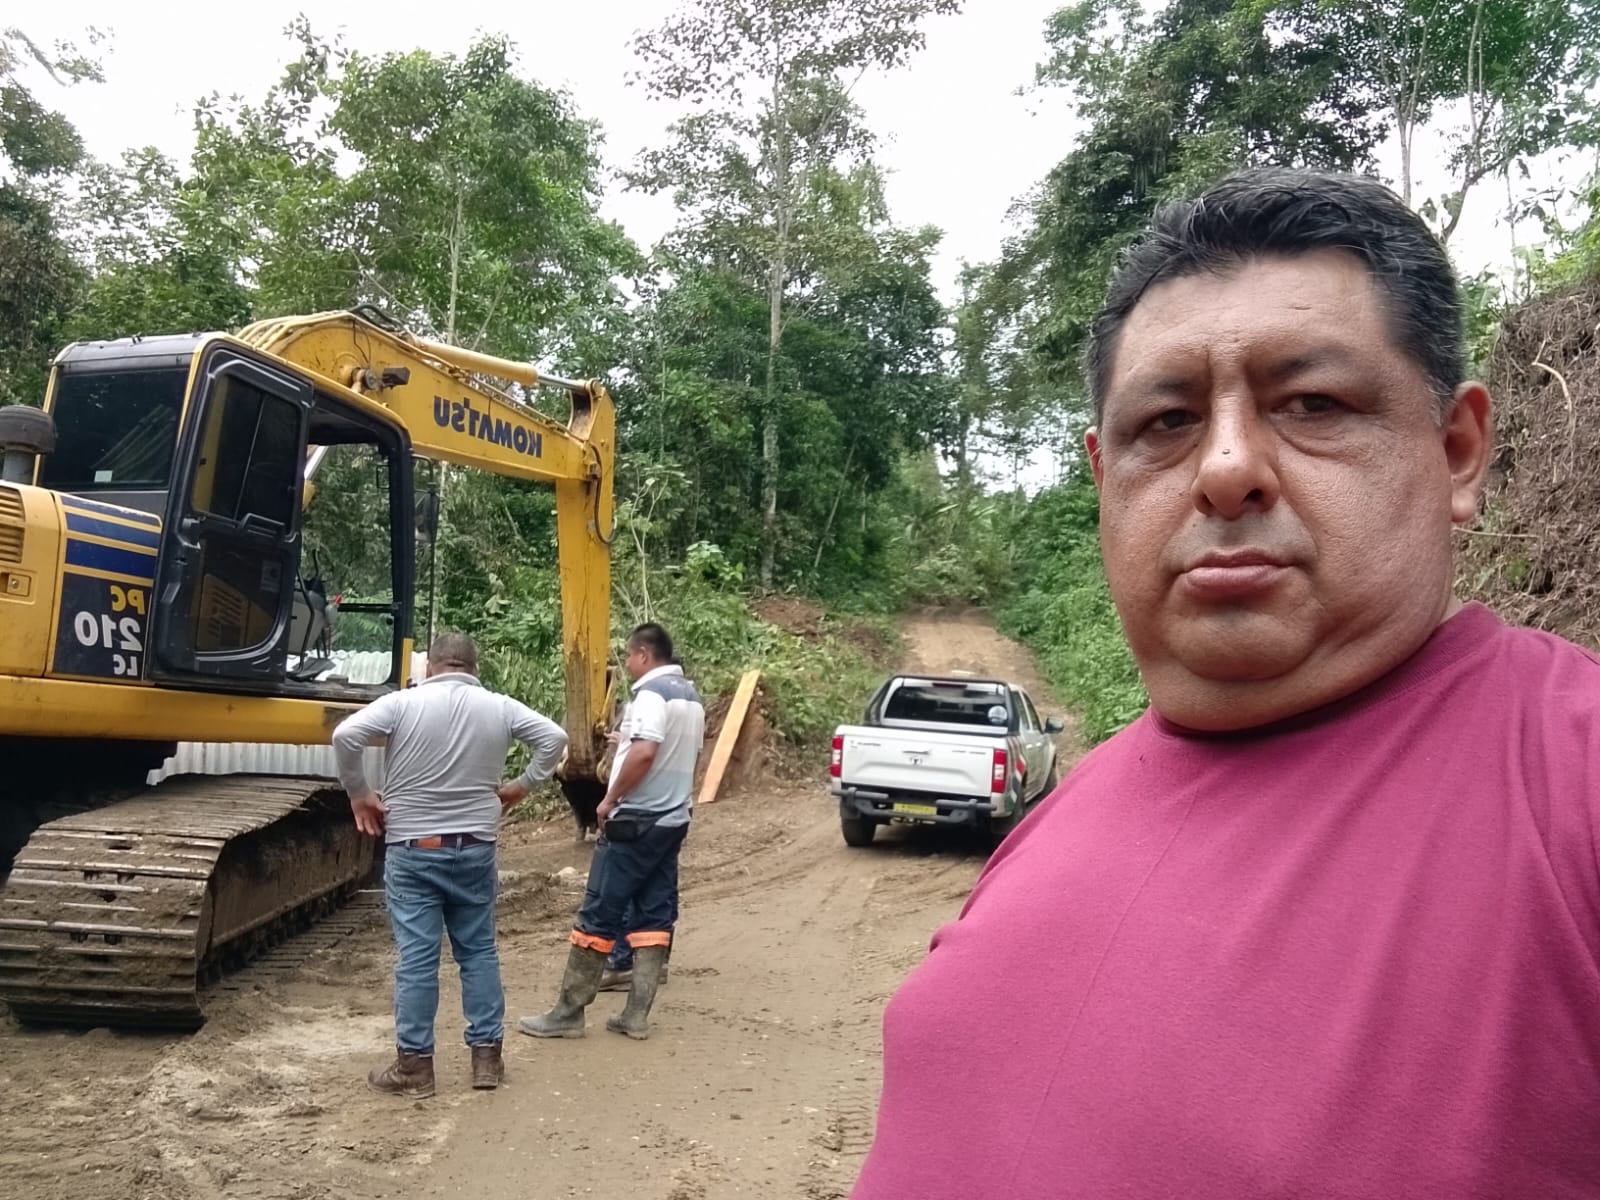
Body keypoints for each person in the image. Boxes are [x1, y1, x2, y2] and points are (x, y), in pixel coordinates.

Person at [851, 169, 1600, 1198]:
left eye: (1313, 403)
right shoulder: (1068, 806)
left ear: (1456, 451)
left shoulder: (1571, 781)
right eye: (1165, 422)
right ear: (1105, 478)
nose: (1225, 467)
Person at [333, 632, 568, 1099]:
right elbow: (554, 738)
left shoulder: (402, 704)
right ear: (474, 669)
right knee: (478, 951)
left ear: (431, 667)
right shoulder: (499, 707)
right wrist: (522, 785)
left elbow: (345, 735)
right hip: (476, 847)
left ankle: (415, 1068)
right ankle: (487, 1060)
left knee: (418, 959)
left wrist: (359, 794)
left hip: (414, 848)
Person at [519, 622, 705, 1041]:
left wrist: (609, 799)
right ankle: (636, 1015)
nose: (627, 663)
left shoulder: (651, 695)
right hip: (672, 820)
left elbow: (646, 752)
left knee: (599, 912)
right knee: (654, 914)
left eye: (628, 656)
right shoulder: (690, 698)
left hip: (635, 821)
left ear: (644, 655)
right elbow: (678, 754)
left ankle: (568, 1012)